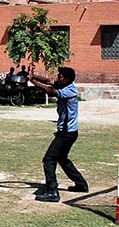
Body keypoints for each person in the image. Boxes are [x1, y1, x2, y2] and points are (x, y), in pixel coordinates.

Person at [29, 66, 89, 203]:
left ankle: (52, 192)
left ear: (67, 79)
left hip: (67, 133)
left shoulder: (69, 90)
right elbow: (49, 81)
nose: (57, 78)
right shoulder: (65, 84)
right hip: (68, 132)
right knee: (62, 158)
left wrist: (33, 83)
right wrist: (34, 76)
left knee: (49, 159)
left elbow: (50, 91)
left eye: (60, 76)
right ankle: (81, 184)